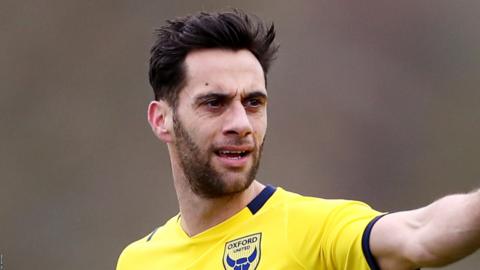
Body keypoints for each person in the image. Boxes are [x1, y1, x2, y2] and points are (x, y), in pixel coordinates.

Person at [116, 10, 479, 270]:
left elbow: (422, 235)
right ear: (162, 120)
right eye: (215, 103)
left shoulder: (316, 232)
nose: (241, 123)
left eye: (253, 102)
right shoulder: (137, 261)